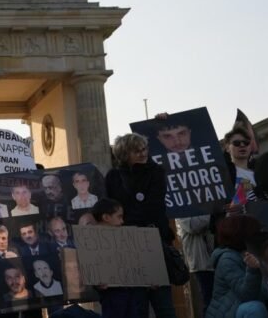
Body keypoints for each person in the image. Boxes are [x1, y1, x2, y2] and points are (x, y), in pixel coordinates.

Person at [105, 133, 175, 318]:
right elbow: (110, 209)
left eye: (144, 149)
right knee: (137, 308)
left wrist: (126, 220)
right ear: (124, 153)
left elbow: (154, 206)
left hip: (153, 243)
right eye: (137, 151)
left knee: (164, 306)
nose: (143, 153)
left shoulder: (156, 171)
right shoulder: (113, 176)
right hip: (126, 247)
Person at [91, 198, 149, 318]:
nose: (122, 221)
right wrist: (97, 283)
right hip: (112, 296)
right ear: (106, 217)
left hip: (131, 293)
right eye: (119, 217)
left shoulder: (125, 241)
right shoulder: (91, 243)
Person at [204, 215, 266, 318]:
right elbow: (246, 295)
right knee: (254, 309)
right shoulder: (227, 259)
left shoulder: (248, 254)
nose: (259, 237)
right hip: (226, 313)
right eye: (256, 233)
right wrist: (253, 270)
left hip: (235, 310)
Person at [176, 214, 215, 315]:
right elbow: (194, 226)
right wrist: (209, 212)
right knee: (209, 300)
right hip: (201, 262)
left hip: (215, 256)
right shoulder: (181, 210)